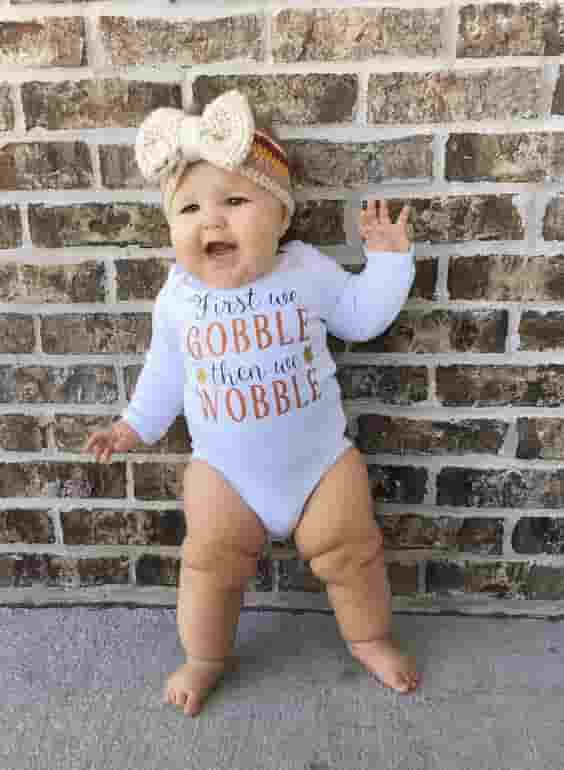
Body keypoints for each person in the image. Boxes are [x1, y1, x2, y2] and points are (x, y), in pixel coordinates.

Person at [83, 89, 420, 717]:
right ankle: (205, 657)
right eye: (189, 208)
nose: (212, 220)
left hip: (320, 463)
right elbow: (163, 375)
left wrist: (388, 264)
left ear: (281, 216)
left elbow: (359, 317)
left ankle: (370, 639)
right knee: (208, 565)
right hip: (226, 474)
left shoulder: (304, 269)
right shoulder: (177, 298)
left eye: (234, 201)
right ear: (172, 230)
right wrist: (132, 426)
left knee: (354, 549)